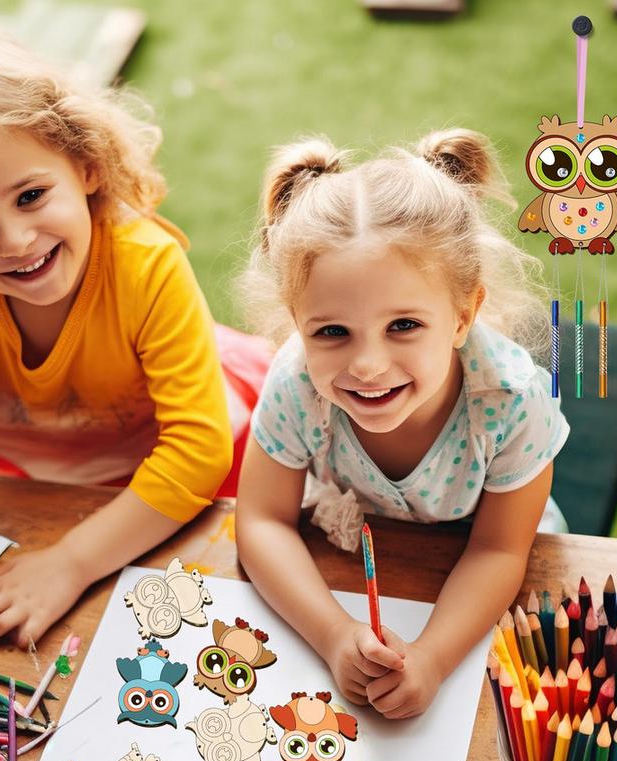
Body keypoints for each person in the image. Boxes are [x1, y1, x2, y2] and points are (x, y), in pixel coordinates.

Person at [0, 30, 270, 648]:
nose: (13, 241)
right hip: (56, 490)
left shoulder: (147, 269)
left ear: (88, 165)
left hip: (198, 491)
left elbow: (196, 458)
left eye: (31, 195)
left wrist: (70, 565)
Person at [236, 129, 569, 719]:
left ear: (463, 315)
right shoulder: (296, 384)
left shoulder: (512, 402)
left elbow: (497, 550)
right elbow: (261, 521)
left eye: (404, 326)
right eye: (331, 332)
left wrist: (435, 657)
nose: (366, 365)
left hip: (481, 575)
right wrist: (335, 636)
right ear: (296, 323)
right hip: (355, 560)